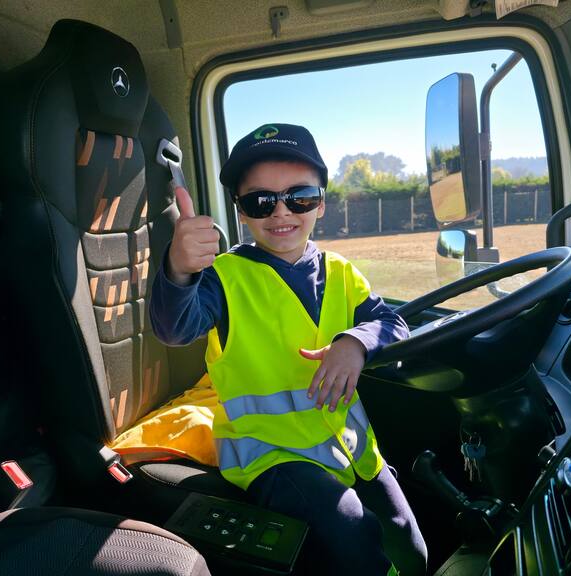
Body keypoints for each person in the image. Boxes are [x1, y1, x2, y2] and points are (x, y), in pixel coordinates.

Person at [150, 123, 427, 575]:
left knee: (410, 549)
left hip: (353, 451)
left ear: (321, 200)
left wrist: (355, 343)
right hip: (270, 456)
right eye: (261, 201)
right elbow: (175, 328)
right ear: (241, 211)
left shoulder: (342, 272)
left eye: (299, 197)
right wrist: (179, 270)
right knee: (352, 536)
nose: (281, 212)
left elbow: (392, 322)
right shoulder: (224, 277)